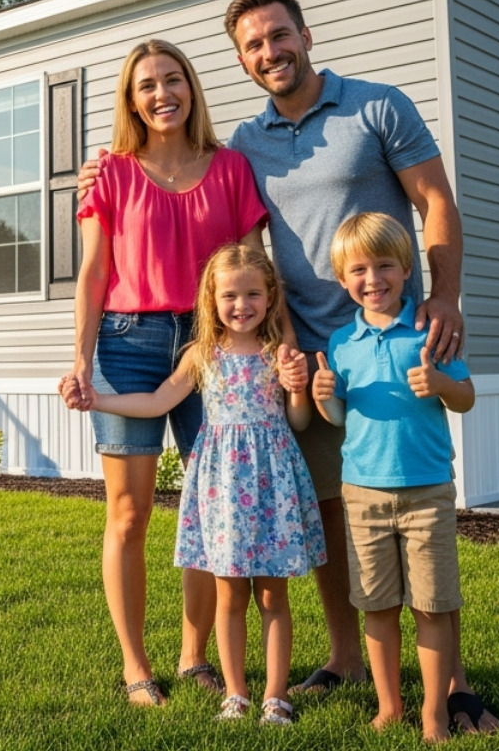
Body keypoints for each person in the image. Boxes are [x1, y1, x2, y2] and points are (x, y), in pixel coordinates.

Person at [77, 0, 499, 733]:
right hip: (295, 351)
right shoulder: (246, 143)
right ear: (241, 61)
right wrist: (102, 170)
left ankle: (449, 682)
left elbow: (435, 199)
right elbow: (163, 219)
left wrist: (446, 295)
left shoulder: (375, 108)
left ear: (305, 33)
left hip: (377, 347)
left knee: (405, 501)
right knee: (329, 512)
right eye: (253, 45)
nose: (269, 52)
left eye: (278, 36)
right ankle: (341, 658)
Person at [60, 39, 270, 706]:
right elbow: (94, 273)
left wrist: (275, 346)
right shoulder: (112, 172)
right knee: (129, 511)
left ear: (191, 87)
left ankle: (193, 656)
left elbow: (257, 266)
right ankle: (134, 666)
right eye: (147, 85)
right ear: (132, 98)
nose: (162, 95)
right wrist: (80, 358)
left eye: (173, 80)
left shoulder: (231, 167)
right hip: (128, 341)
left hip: (213, 344)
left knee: (213, 507)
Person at [64, 244, 325, 725]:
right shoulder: (201, 354)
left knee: (272, 596)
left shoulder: (279, 354)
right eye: (229, 295)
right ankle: (236, 693)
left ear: (270, 297)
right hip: (222, 491)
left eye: (252, 294)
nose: (241, 305)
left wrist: (297, 388)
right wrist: (97, 401)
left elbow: (300, 421)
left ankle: (275, 696)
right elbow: (158, 402)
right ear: (212, 299)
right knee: (229, 595)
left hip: (272, 490)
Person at [311, 212, 476, 744]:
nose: (372, 278)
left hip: (427, 491)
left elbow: (467, 397)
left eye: (384, 265)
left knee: (431, 606)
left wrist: (440, 385)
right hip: (362, 495)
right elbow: (339, 417)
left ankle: (433, 713)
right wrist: (324, 398)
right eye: (358, 269)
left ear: (407, 270)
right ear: (343, 280)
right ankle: (389, 705)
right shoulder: (341, 343)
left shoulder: (430, 330)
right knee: (377, 607)